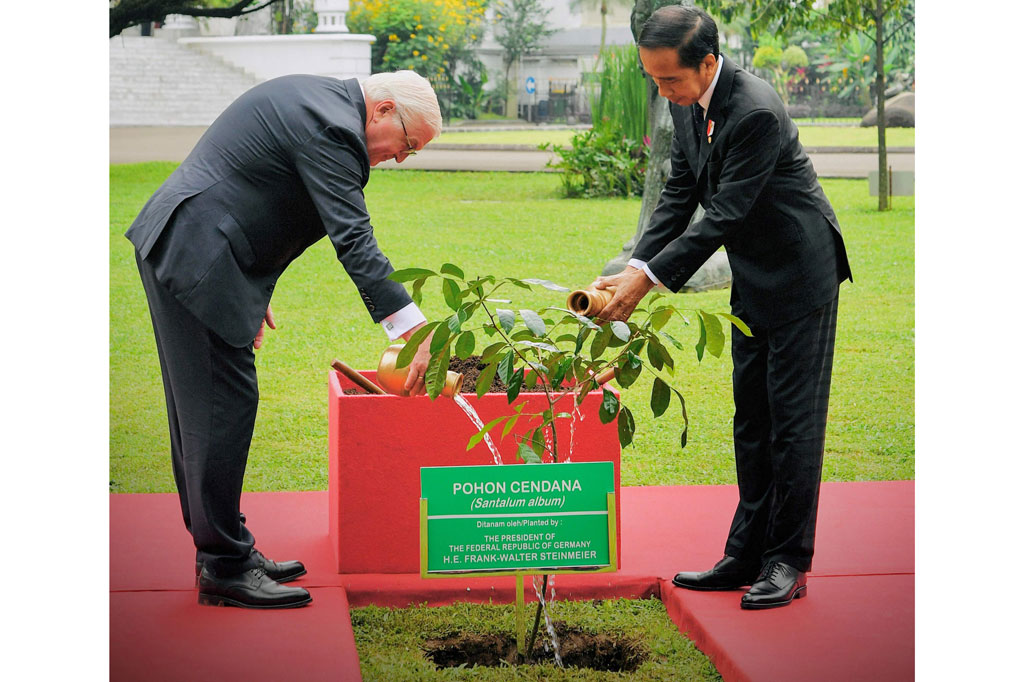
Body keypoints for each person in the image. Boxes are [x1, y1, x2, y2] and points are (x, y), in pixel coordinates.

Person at [126, 70, 440, 609]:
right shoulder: (332, 128)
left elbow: (255, 189)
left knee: (205, 408)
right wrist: (412, 328)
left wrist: (245, 286)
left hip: (199, 246)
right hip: (196, 251)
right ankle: (224, 565)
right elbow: (353, 238)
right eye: (408, 144)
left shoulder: (319, 102)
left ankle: (226, 550)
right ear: (383, 109)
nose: (403, 157)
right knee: (220, 408)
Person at [592, 5, 852, 610]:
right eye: (652, 79)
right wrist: (634, 267)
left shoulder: (756, 110)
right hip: (753, 279)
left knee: (793, 424)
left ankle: (788, 559)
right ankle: (745, 553)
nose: (661, 91)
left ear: (708, 63)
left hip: (800, 272)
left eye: (670, 80)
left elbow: (725, 213)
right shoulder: (685, 104)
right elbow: (681, 195)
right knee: (751, 419)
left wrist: (648, 283)